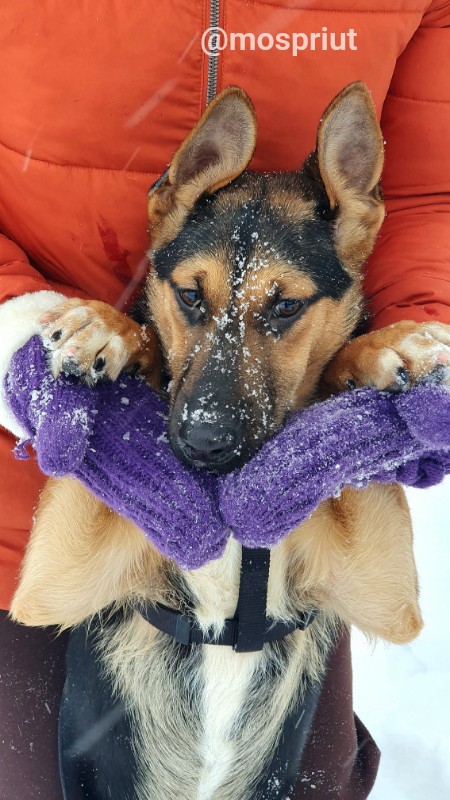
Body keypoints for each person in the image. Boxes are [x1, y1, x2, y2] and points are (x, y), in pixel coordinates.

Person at [0, 3, 449, 798]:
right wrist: (29, 344)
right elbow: (49, 595)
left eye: (282, 312)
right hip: (36, 451)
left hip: (312, 457)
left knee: (325, 780)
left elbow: (429, 189)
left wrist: (406, 355)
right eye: (198, 306)